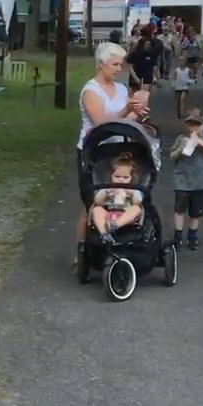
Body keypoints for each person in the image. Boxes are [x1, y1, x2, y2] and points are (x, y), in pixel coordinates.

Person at [75, 42, 148, 264]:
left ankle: (119, 243)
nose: (119, 68)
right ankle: (81, 252)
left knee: (123, 197)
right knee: (92, 202)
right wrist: (127, 109)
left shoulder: (122, 89)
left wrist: (138, 114)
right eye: (114, 64)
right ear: (101, 64)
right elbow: (101, 123)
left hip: (119, 150)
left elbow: (127, 120)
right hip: (94, 150)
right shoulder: (90, 91)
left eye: (121, 64)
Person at [169, 109, 203, 249]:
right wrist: (180, 150)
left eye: (197, 125)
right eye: (191, 125)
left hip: (201, 181)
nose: (194, 128)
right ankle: (177, 236)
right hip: (182, 179)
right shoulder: (181, 139)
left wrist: (198, 142)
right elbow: (172, 156)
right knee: (179, 209)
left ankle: (193, 236)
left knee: (196, 211)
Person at [91, 155, 144, 242]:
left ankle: (115, 225)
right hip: (108, 214)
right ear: (111, 176)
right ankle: (104, 234)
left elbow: (137, 202)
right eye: (117, 177)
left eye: (125, 178)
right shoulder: (107, 188)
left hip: (125, 215)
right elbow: (97, 201)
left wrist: (131, 194)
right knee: (97, 209)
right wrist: (106, 193)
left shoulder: (133, 189)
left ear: (132, 178)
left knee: (137, 209)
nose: (121, 180)